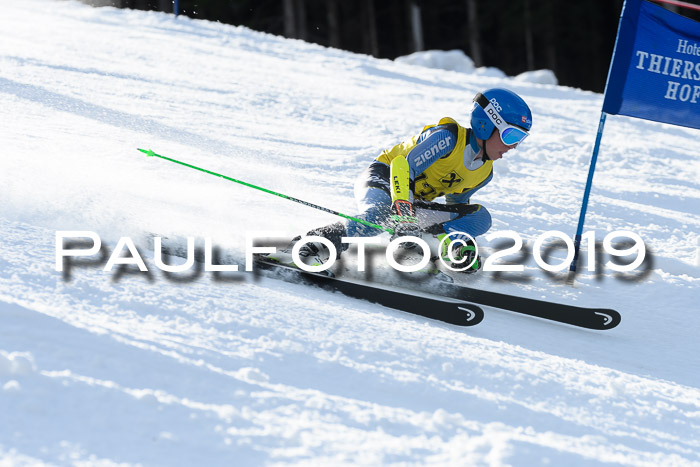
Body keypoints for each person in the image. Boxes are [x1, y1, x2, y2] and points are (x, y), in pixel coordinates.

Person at [266, 88, 533, 274]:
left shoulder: (483, 173)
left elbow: (455, 207)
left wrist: (455, 242)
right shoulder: (448, 138)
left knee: (480, 217)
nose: (512, 147)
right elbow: (402, 166)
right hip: (383, 178)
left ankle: (421, 250)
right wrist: (404, 211)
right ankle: (308, 246)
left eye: (519, 141)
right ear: (487, 124)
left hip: (410, 203)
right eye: (510, 136)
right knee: (380, 215)